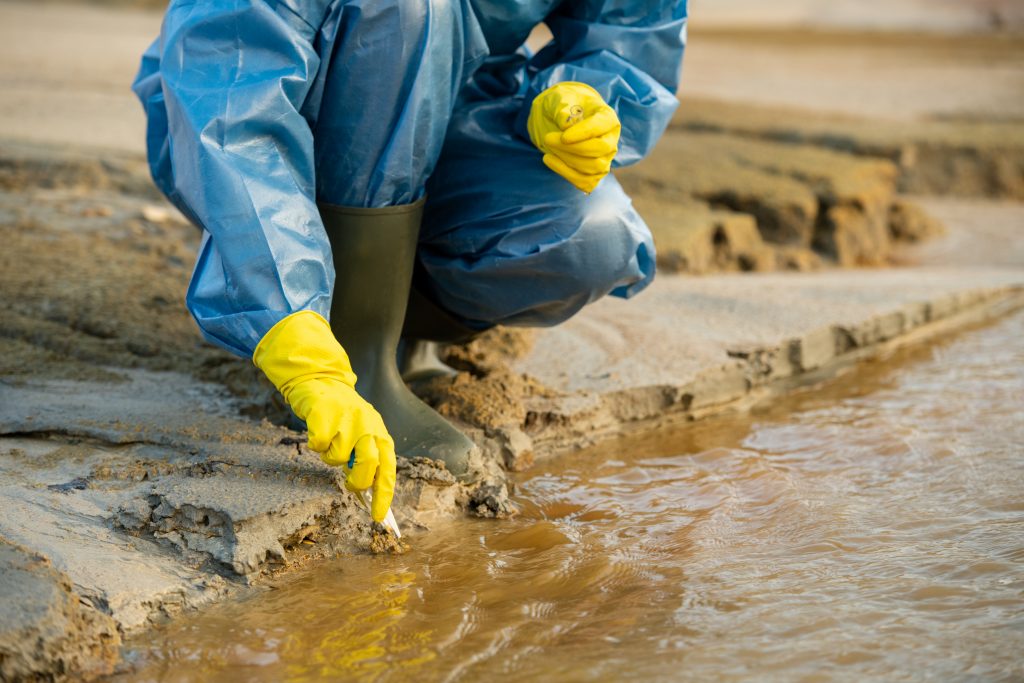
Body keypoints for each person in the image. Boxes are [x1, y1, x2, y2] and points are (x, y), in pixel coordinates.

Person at [132, 0, 687, 524]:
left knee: (591, 236)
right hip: (246, 110)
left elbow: (631, 30)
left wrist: (579, 99)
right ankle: (348, 346)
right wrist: (280, 306)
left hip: (452, 114)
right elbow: (229, 94)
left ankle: (397, 322)